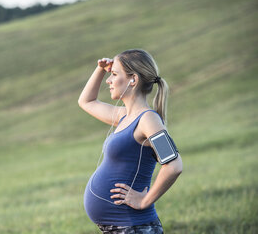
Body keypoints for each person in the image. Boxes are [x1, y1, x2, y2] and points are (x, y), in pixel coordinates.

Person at [78, 49, 183, 234]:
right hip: (120, 227)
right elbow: (86, 101)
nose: (109, 81)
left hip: (134, 226)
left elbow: (174, 165)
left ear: (133, 79)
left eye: (114, 75)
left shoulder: (148, 120)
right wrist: (100, 69)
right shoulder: (123, 116)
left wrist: (145, 200)